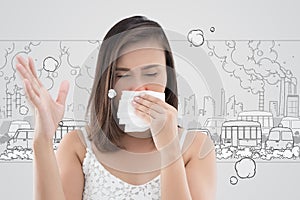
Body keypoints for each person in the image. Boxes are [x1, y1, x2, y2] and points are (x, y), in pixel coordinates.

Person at [16, 15, 216, 200]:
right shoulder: (78, 146)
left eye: (151, 73)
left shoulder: (196, 148)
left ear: (168, 77)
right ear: (109, 83)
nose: (138, 88)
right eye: (123, 75)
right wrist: (42, 140)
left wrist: (170, 149)